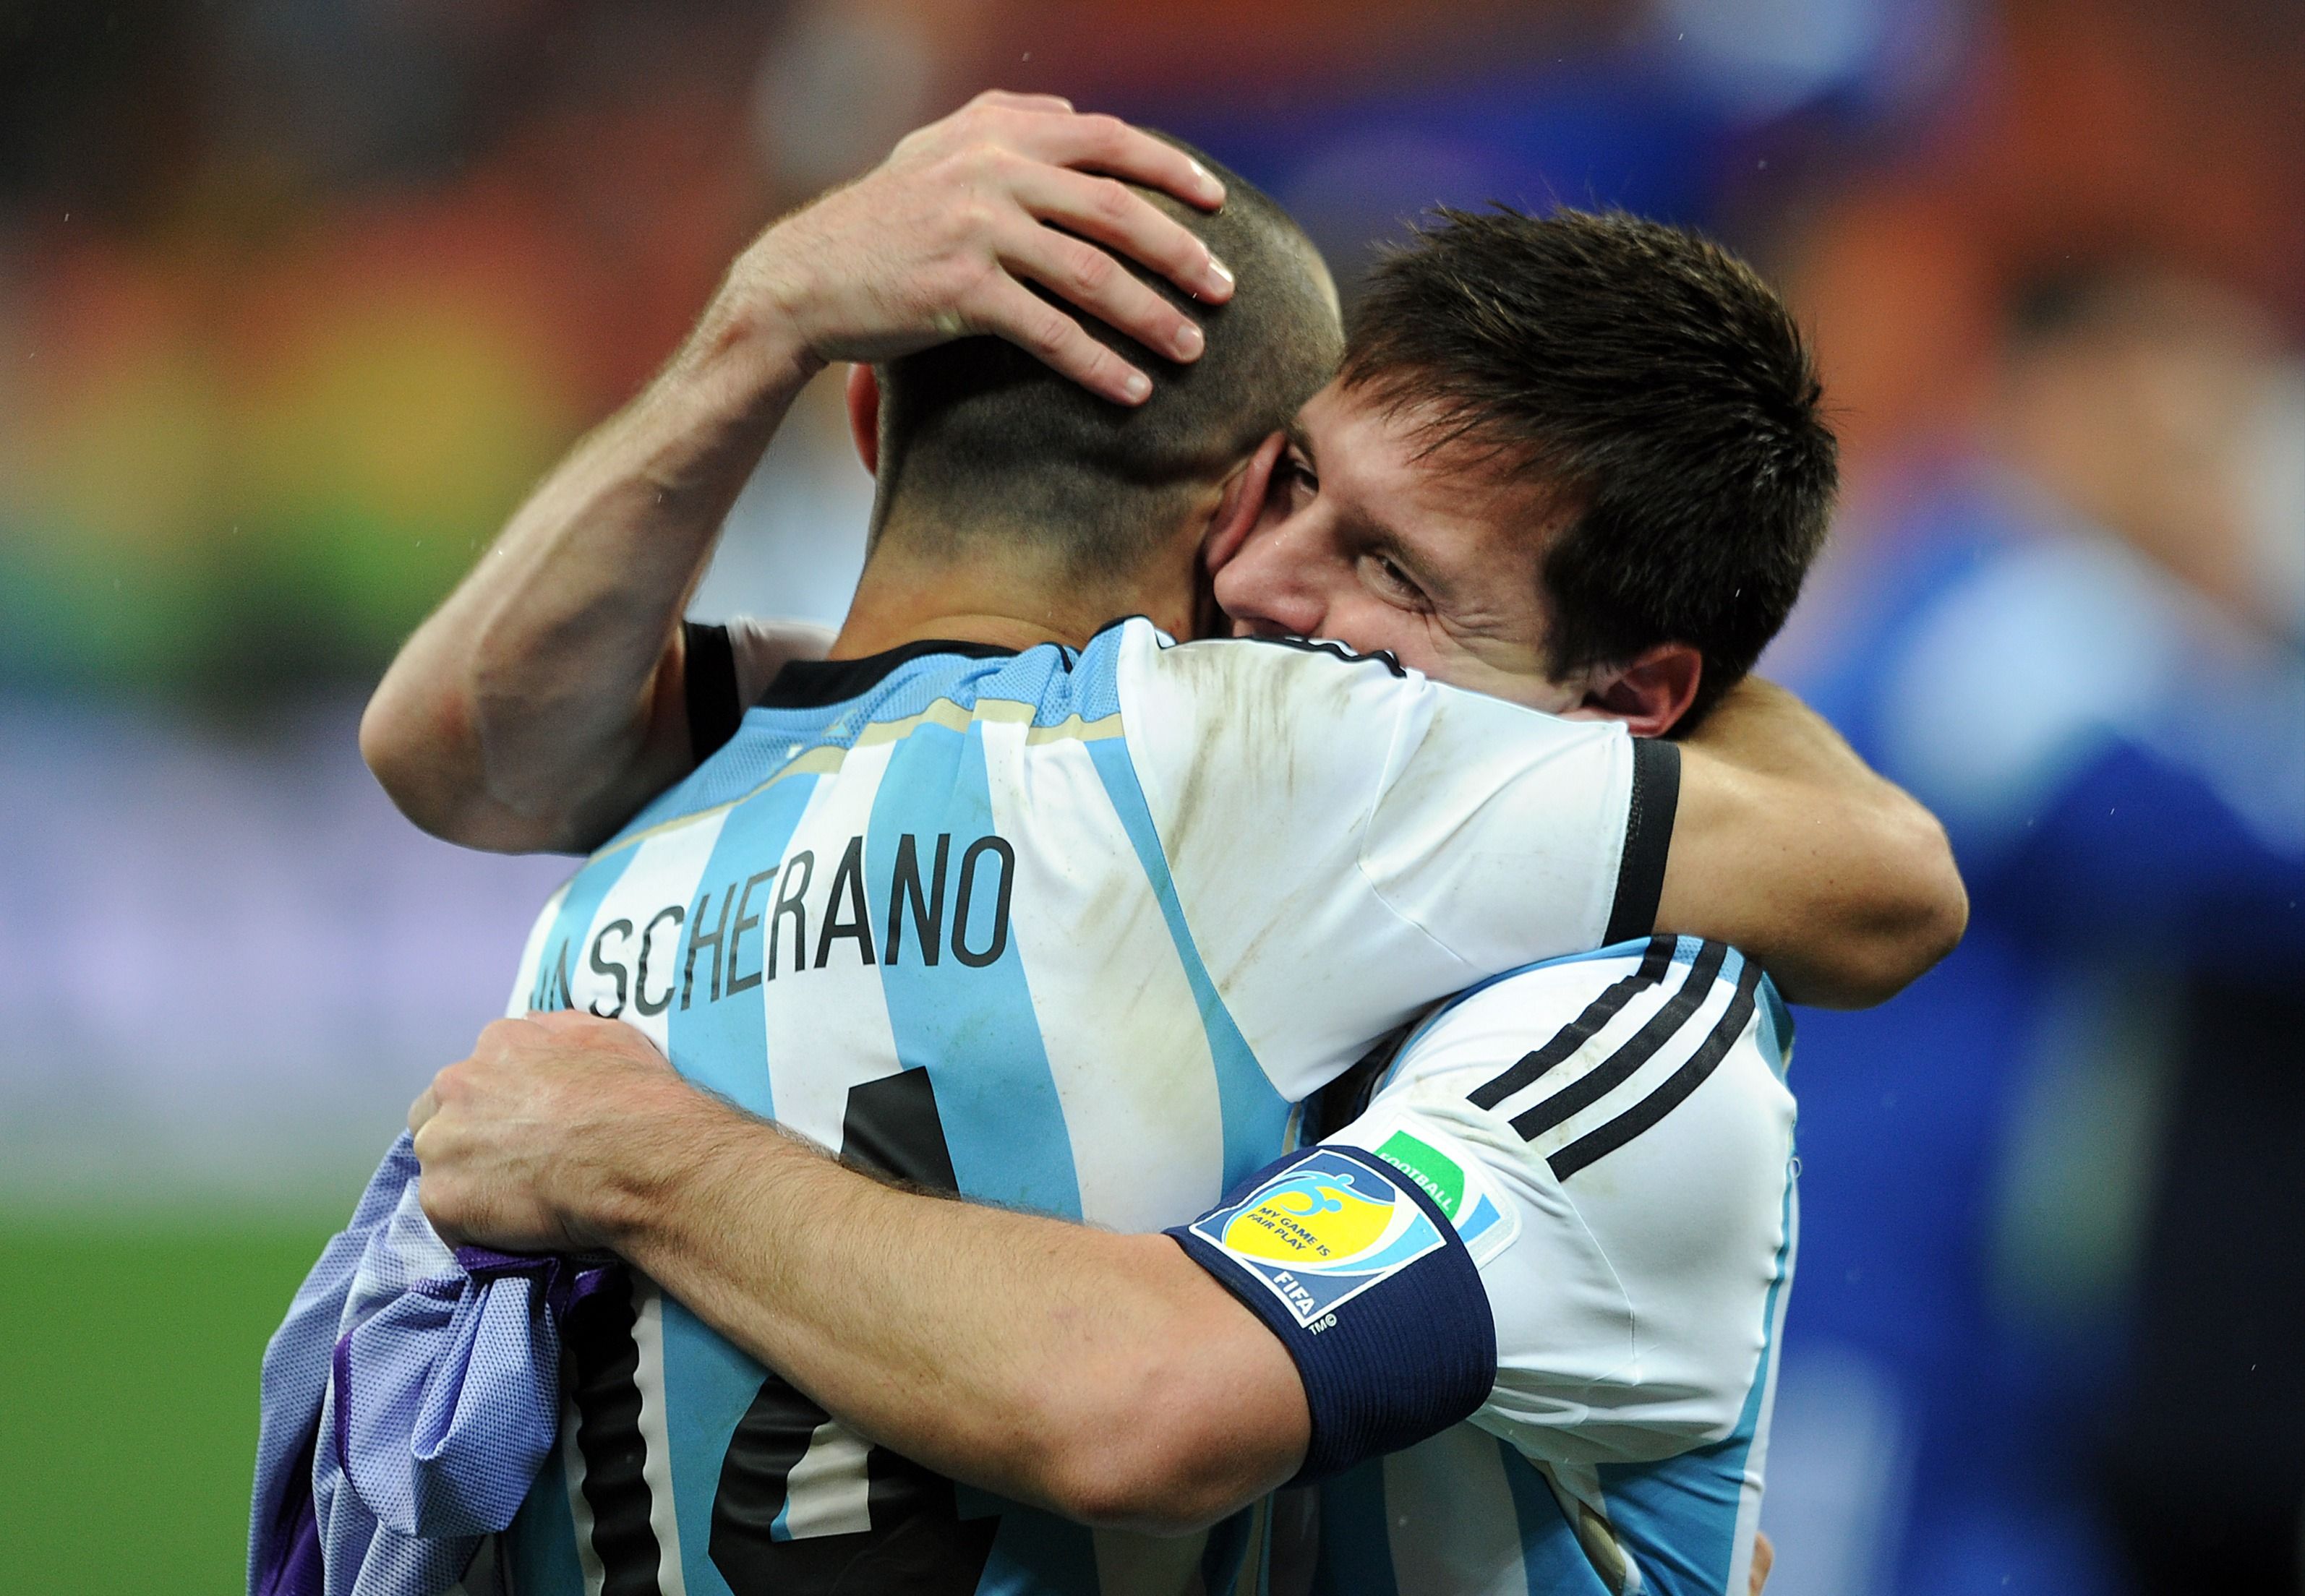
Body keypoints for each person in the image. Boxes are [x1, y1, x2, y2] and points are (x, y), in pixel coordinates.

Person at [363, 95, 1962, 1596]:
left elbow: (1889, 883)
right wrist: (766, 310)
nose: (1267, 588)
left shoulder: (1470, 889)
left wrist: (643, 1159)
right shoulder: (1200, 747)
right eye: (1291, 491)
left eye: (1394, 577)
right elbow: (465, 750)